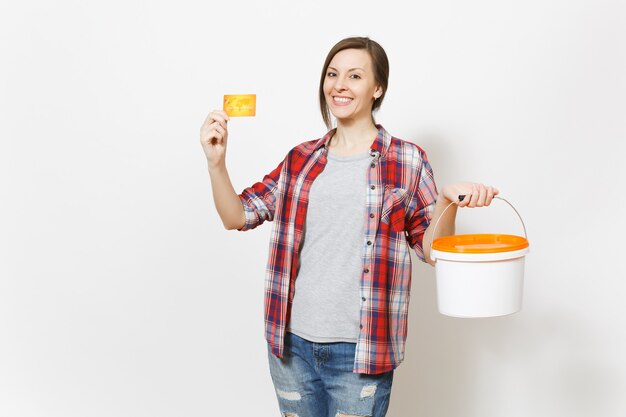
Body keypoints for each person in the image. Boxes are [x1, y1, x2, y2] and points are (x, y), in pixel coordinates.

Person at [200, 36, 498, 417]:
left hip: (363, 351)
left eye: (354, 76)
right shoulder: (300, 159)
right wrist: (216, 163)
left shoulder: (407, 159)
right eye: (332, 74)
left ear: (377, 88)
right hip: (291, 347)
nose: (339, 85)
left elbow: (434, 251)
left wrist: (447, 202)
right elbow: (237, 216)